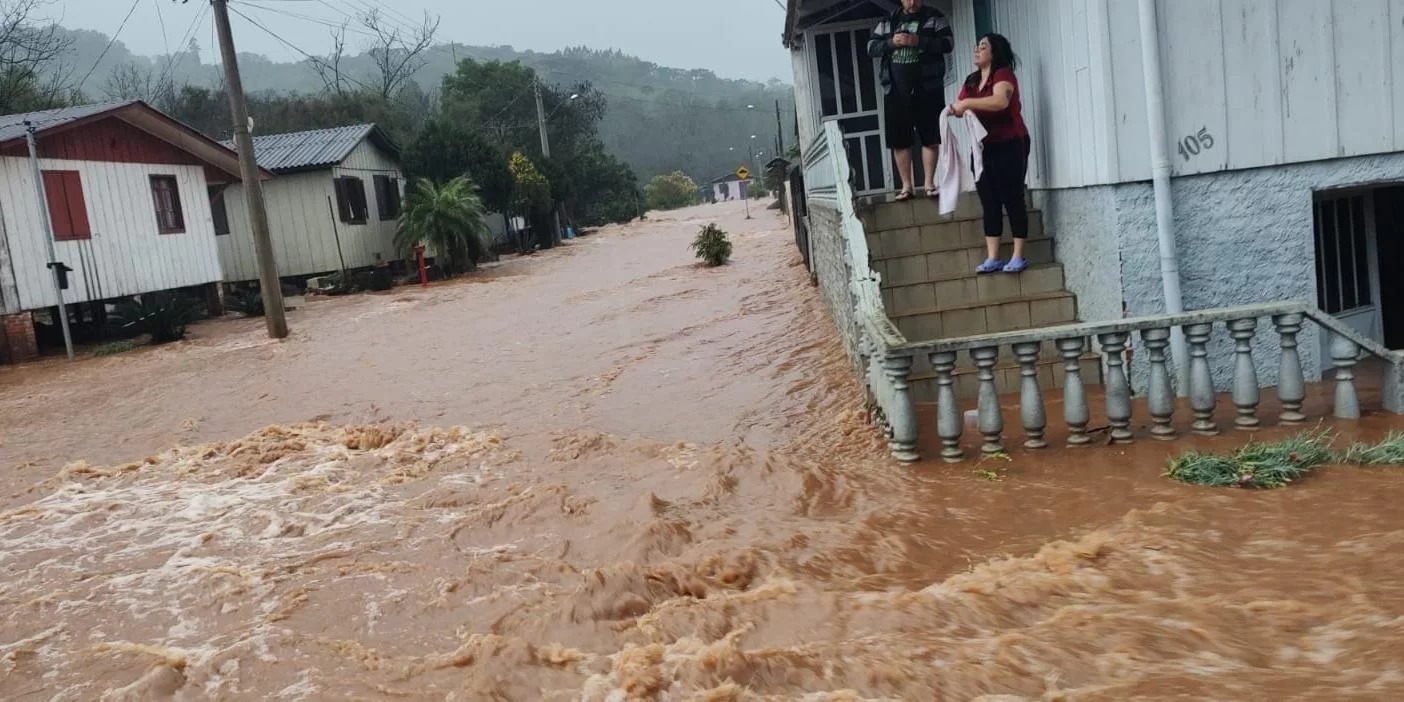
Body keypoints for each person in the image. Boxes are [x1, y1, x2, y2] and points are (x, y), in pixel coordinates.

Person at [951, 33, 1031, 274]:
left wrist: (967, 104)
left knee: (1012, 197)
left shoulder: (1003, 75)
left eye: (983, 46)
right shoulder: (972, 80)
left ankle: (1018, 255)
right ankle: (993, 257)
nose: (977, 50)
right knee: (989, 200)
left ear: (995, 52)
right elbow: (960, 105)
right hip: (983, 148)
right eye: (977, 46)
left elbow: (1000, 102)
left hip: (1010, 143)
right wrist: (955, 109)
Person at [867, 0, 954, 201]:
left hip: (928, 86)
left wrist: (919, 42)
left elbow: (948, 43)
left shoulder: (934, 17)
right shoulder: (888, 21)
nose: (912, 2)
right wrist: (891, 43)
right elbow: (871, 47)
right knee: (899, 139)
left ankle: (929, 183)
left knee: (930, 136)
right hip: (895, 88)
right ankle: (906, 186)